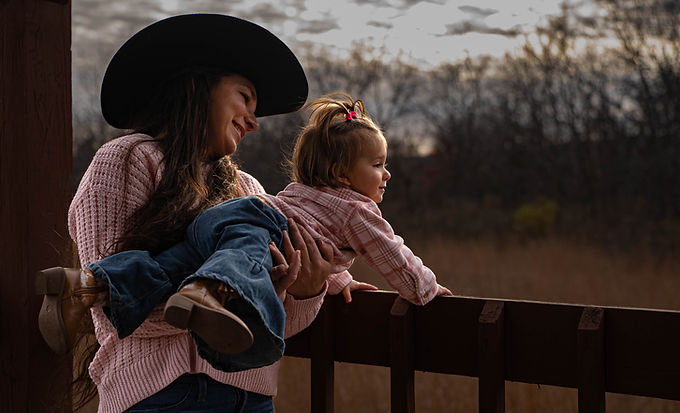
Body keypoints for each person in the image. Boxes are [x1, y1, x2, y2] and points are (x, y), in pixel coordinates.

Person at [35, 13, 336, 412]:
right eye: (245, 98)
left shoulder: (251, 192)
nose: (253, 122)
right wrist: (227, 302)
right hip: (160, 395)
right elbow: (116, 314)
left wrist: (306, 290)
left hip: (251, 398)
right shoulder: (128, 160)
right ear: (198, 87)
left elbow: (270, 330)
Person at [43, 92, 453, 375]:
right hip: (169, 387)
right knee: (233, 262)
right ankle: (209, 290)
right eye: (244, 97)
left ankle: (90, 284)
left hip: (232, 225)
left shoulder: (271, 189)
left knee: (169, 266)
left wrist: (323, 283)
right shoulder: (358, 210)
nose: (255, 120)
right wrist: (426, 290)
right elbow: (392, 253)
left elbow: (304, 246)